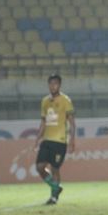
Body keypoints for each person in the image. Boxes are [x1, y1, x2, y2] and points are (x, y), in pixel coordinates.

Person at [34, 74, 75, 205]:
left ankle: (54, 197)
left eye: (55, 84)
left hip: (60, 141)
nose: (53, 86)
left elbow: (72, 122)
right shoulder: (45, 101)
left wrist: (72, 140)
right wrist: (37, 138)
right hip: (47, 140)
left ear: (59, 85)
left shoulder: (65, 100)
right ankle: (56, 187)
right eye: (51, 84)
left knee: (55, 168)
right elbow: (43, 122)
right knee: (39, 167)